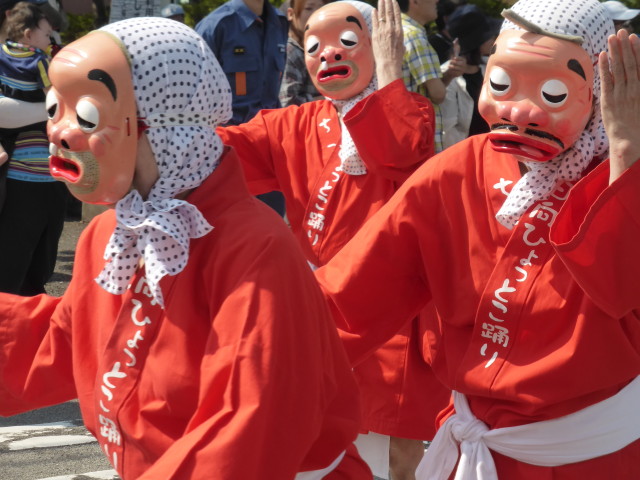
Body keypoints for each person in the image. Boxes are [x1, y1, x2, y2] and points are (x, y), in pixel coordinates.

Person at [0, 16, 372, 479]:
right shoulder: (110, 233)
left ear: (162, 124)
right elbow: (64, 342)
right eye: (55, 109)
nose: (60, 131)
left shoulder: (254, 247)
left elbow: (248, 424)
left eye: (87, 116)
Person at [317, 0, 640, 477]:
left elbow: (622, 287)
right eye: (502, 84)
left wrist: (627, 154)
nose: (519, 110)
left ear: (600, 88)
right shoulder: (461, 168)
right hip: (478, 438)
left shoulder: (622, 171)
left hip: (594, 453)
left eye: (552, 92)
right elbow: (349, 295)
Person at [218, 1, 447, 479]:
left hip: (390, 314)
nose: (328, 54)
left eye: (346, 41)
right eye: (314, 46)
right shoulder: (293, 123)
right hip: (319, 309)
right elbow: (215, 153)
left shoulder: (413, 112)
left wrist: (390, 72)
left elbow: (399, 150)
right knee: (323, 446)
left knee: (393, 454)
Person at [195, 0, 288, 217]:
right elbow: (196, 96)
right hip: (227, 154)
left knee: (272, 225)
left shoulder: (280, 22)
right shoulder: (216, 26)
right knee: (231, 227)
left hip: (269, 151)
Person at [0, 1, 67, 296]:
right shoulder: (41, 61)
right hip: (25, 176)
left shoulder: (5, 56)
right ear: (29, 34)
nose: (50, 38)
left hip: (42, 174)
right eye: (46, 33)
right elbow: (55, 101)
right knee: (22, 261)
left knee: (30, 259)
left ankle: (22, 310)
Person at [398, 0, 464, 153]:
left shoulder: (395, 31)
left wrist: (449, 75)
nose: (436, 1)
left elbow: (425, 89)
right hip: (420, 138)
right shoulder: (414, 36)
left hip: (403, 134)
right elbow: (437, 94)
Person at [440, 3, 502, 148]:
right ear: (476, 41)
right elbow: (448, 130)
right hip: (467, 152)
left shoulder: (491, 67)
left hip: (495, 148)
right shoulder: (448, 76)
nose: (494, 38)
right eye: (490, 35)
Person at [279, 0, 324, 107]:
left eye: (320, 8)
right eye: (308, 8)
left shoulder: (322, 47)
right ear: (290, 14)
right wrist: (327, 100)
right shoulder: (291, 51)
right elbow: (288, 103)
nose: (315, 13)